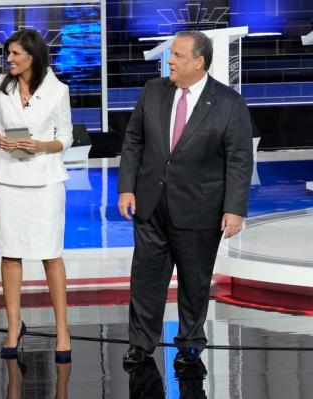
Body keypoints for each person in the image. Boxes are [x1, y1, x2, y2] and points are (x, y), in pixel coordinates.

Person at [117, 31, 253, 367]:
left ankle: (190, 344)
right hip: (150, 206)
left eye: (177, 55)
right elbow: (133, 141)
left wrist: (234, 208)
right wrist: (126, 187)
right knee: (146, 280)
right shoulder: (153, 91)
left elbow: (239, 158)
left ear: (199, 62)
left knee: (194, 281)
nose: (169, 61)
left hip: (199, 209)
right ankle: (140, 344)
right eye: (170, 55)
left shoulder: (228, 103)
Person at [0, 29, 73, 363]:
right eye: (8, 54)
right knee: (10, 252)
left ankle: (62, 330)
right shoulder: (2, 86)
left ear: (32, 57)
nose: (9, 60)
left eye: (15, 55)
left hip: (45, 178)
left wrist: (41, 145)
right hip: (8, 176)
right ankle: (12, 326)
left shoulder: (58, 91)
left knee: (50, 253)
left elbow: (65, 137)